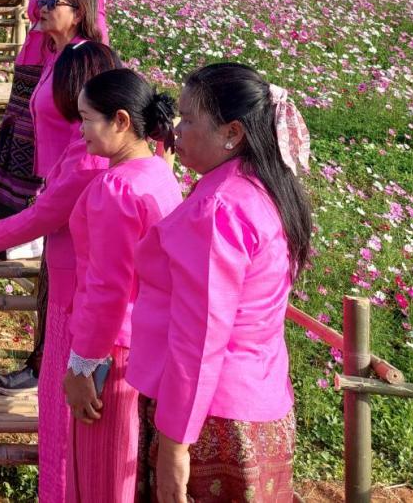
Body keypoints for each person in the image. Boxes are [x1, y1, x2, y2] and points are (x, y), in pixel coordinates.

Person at [128, 63, 312, 503]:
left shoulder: (219, 208)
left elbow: (199, 339)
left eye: (189, 119)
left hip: (210, 419)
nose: (176, 129)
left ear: (232, 133)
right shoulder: (264, 187)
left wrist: (174, 445)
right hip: (260, 403)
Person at [0, 40, 120, 503]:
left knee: (59, 418)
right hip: (69, 286)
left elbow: (48, 211)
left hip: (73, 296)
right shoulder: (92, 142)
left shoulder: (91, 154)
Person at [0, 0, 109, 396]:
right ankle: (26, 227)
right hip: (41, 70)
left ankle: (55, 363)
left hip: (59, 80)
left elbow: (96, 30)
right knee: (29, 155)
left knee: (67, 275)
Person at [62, 68, 182, 502]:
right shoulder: (158, 172)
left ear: (121, 121)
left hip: (111, 353)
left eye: (86, 119)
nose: (80, 131)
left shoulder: (115, 188)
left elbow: (107, 289)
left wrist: (81, 368)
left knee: (102, 478)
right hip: (149, 345)